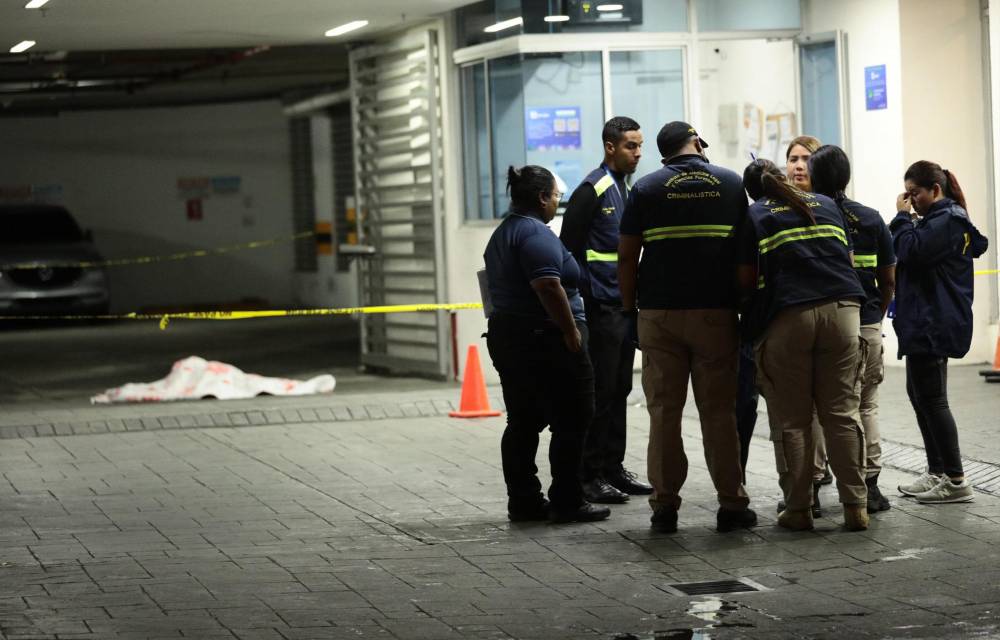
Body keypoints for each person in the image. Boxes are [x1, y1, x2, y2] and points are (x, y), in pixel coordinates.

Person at [618, 121, 756, 534]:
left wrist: (629, 312)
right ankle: (732, 505)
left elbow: (626, 258)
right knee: (718, 412)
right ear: (696, 142)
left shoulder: (645, 189)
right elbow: (745, 257)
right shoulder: (731, 184)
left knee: (664, 414)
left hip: (659, 316)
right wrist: (746, 308)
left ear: (663, 153)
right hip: (715, 314)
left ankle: (664, 508)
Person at [737, 158, 869, 532]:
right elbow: (848, 259)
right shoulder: (825, 204)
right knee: (842, 413)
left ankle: (798, 510)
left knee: (792, 420)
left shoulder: (755, 215)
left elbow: (746, 282)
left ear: (751, 191)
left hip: (788, 316)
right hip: (844, 311)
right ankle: (855, 508)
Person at [483, 165, 610, 524]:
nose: (558, 203)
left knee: (523, 420)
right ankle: (567, 499)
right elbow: (548, 287)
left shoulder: (504, 233)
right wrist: (570, 332)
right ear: (542, 198)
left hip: (512, 336)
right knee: (575, 415)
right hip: (545, 340)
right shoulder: (534, 234)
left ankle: (524, 501)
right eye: (556, 197)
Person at [560, 116, 652, 504]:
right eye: (631, 146)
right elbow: (569, 249)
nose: (638, 153)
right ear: (610, 146)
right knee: (599, 391)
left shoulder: (625, 188)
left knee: (620, 388)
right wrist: (588, 297)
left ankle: (612, 467)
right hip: (601, 307)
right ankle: (589, 474)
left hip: (621, 305)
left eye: (640, 145)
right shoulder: (592, 189)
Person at [892, 161, 988, 504]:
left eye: (915, 193)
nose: (910, 200)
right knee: (920, 397)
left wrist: (902, 218)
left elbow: (909, 251)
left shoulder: (947, 220)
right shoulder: (937, 220)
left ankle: (957, 479)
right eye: (908, 194)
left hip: (934, 321)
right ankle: (938, 471)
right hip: (924, 321)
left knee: (933, 400)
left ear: (935, 190)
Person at [737, 135, 829, 492]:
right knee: (805, 411)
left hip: (786, 322)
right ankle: (825, 490)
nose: (799, 165)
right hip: (793, 321)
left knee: (796, 413)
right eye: (793, 159)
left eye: (806, 158)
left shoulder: (815, 207)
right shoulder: (772, 214)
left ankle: (802, 492)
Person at [809, 144, 896, 513]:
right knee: (866, 404)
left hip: (823, 321)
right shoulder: (871, 218)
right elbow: (889, 278)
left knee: (815, 407)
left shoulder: (808, 215)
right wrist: (877, 312)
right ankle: (870, 486)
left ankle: (810, 490)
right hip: (867, 320)